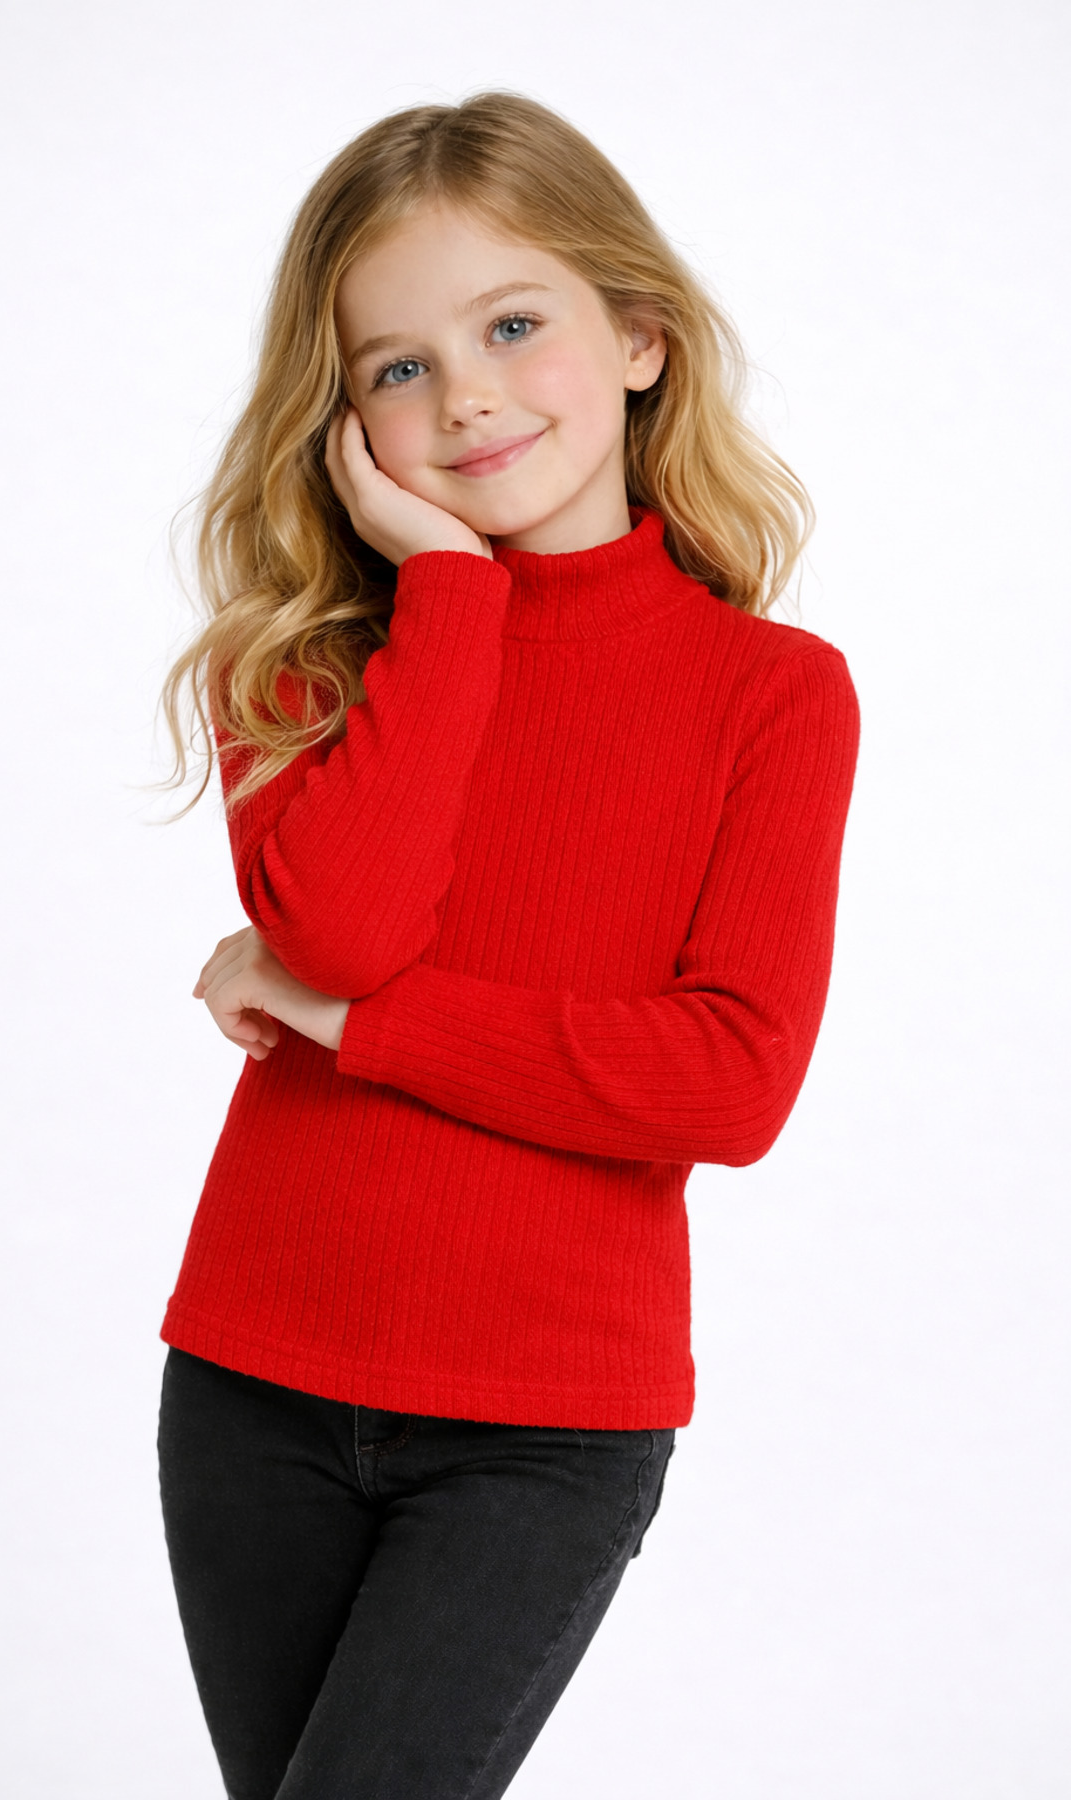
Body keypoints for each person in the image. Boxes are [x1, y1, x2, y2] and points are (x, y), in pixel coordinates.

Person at [153, 90, 860, 1800]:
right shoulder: (301, 664)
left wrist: (347, 1023)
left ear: (640, 338)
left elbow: (728, 1082)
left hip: (546, 1429)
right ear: (342, 420)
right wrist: (454, 596)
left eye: (513, 326)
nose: (464, 394)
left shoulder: (773, 695)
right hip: (253, 1381)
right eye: (397, 366)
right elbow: (346, 924)